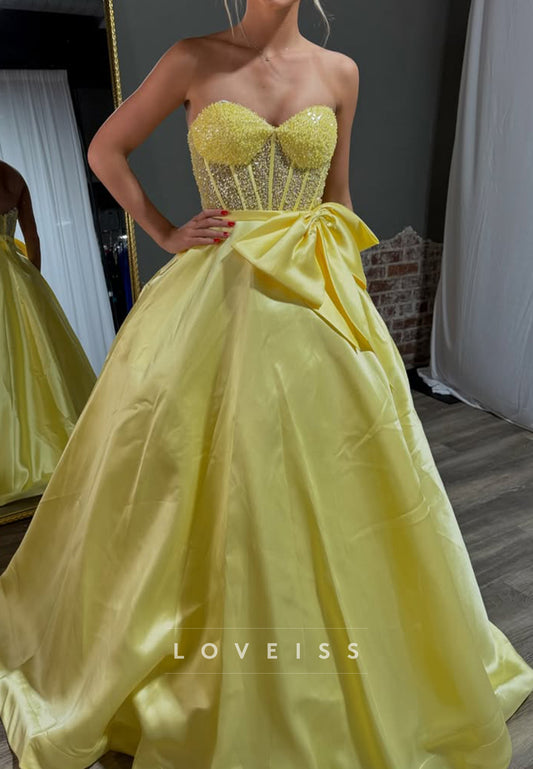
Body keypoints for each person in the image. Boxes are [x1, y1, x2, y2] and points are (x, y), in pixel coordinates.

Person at [1, 2, 533, 767]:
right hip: (221, 295)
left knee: (349, 481)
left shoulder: (339, 72)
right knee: (214, 480)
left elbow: (337, 197)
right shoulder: (191, 58)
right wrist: (165, 230)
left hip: (315, 295)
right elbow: (106, 149)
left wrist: (353, 305)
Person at [0, 160, 96, 507]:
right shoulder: (13, 177)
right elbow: (33, 237)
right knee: (34, 362)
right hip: (18, 277)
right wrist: (33, 282)